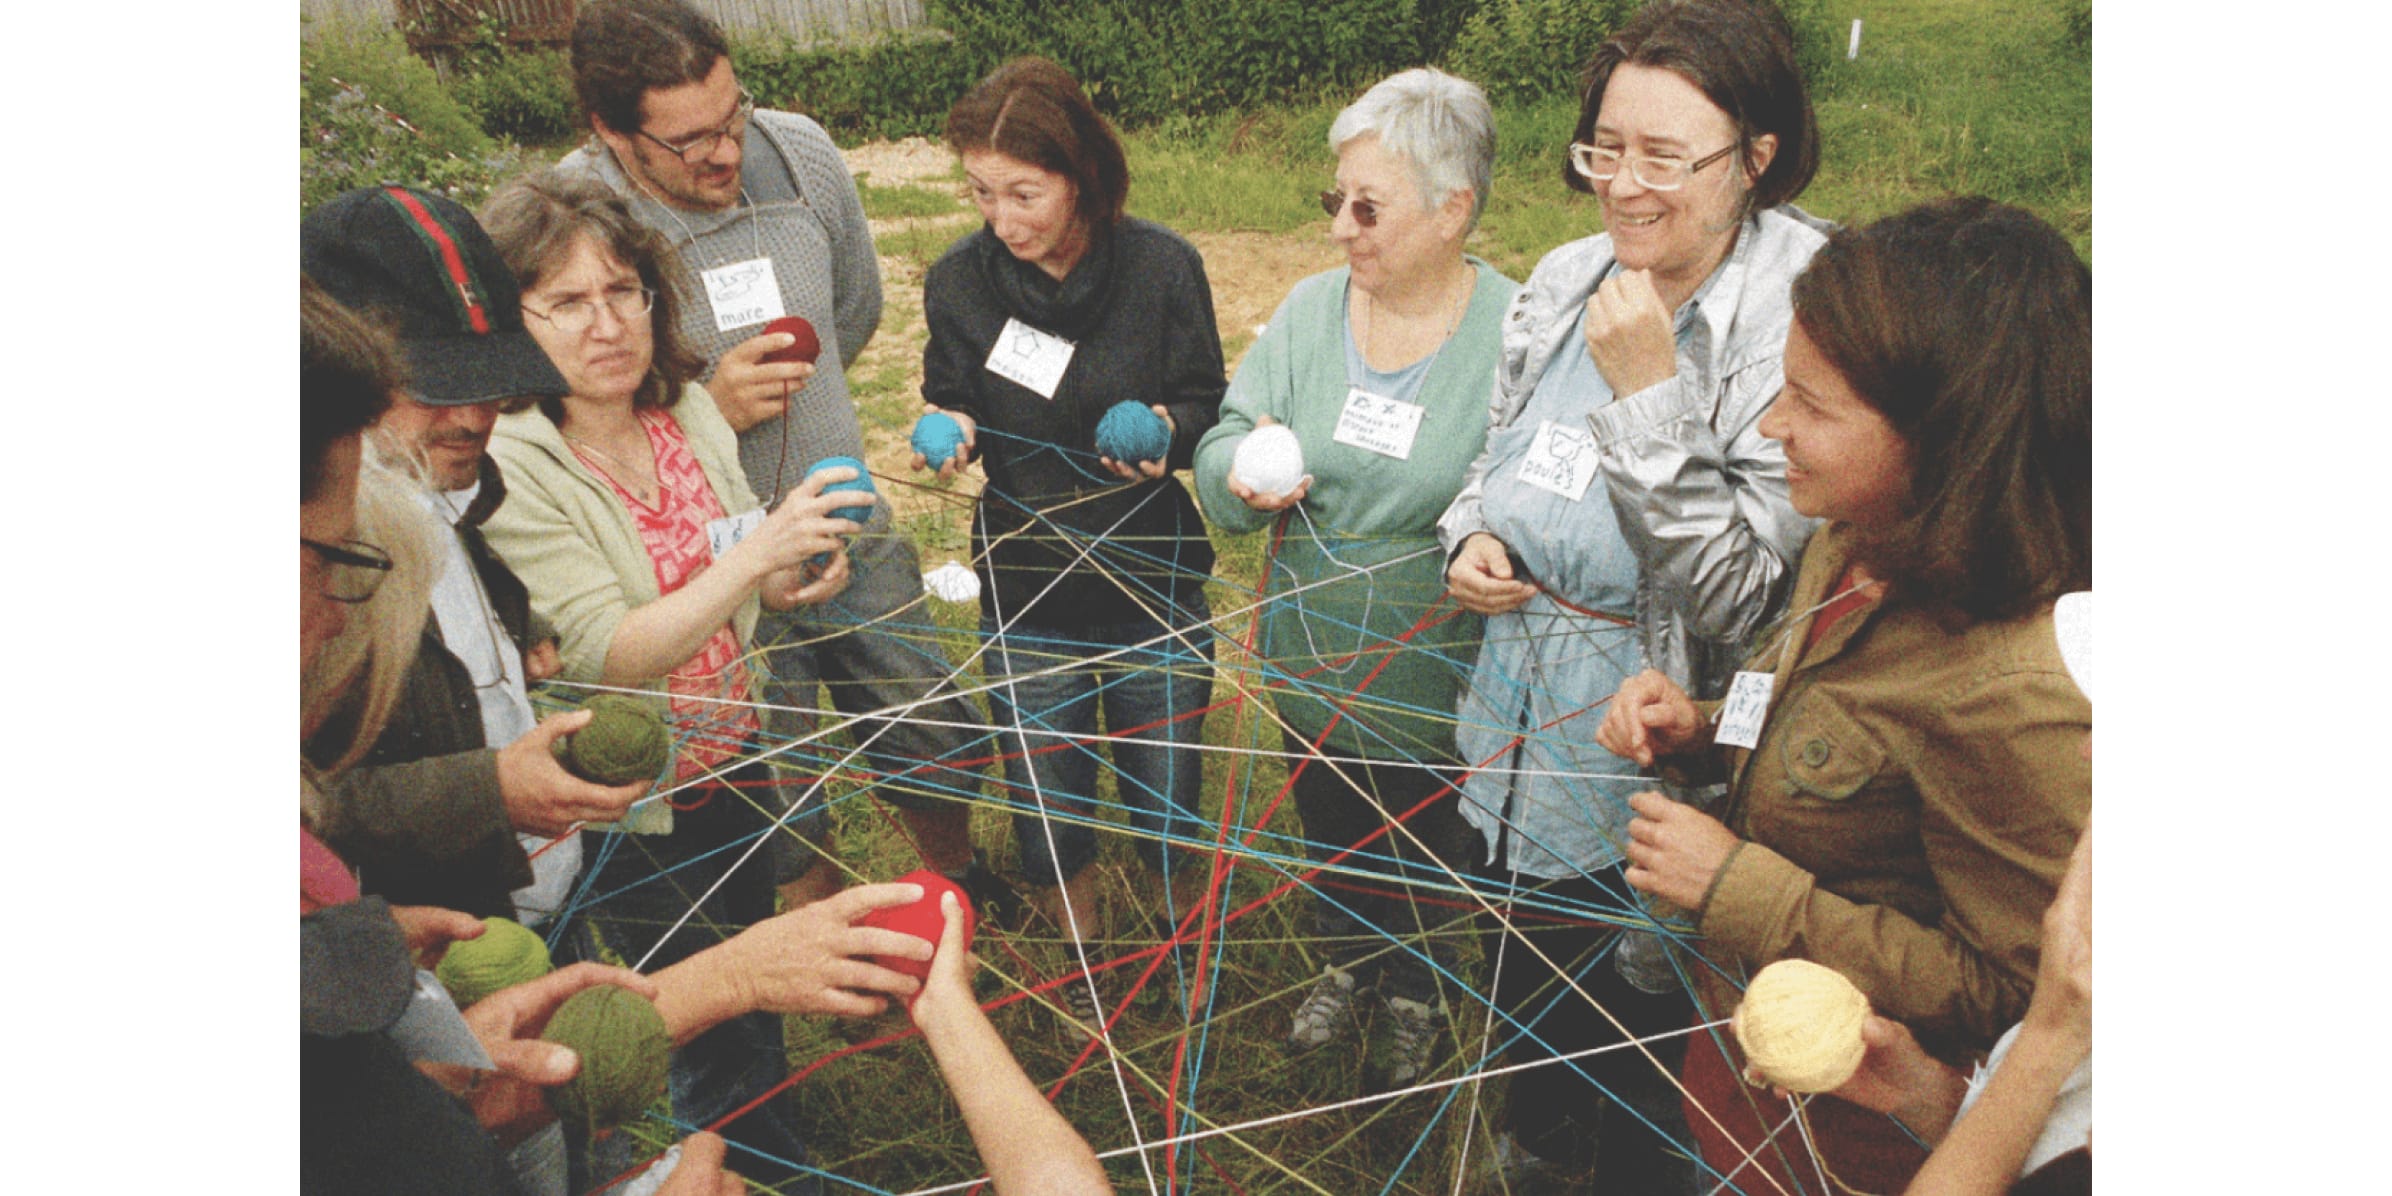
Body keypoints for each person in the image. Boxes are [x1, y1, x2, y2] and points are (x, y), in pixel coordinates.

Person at [1600, 197, 2093, 1193]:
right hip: (1749, 1066)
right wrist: (1700, 732)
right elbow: (1826, 722)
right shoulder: (1852, 532)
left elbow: (2026, 990)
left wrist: (1734, 883)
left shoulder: (2016, 693)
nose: (1771, 425)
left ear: (1944, 440)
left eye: (1812, 407)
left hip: (1875, 1140)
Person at [1431, 1, 1827, 1185]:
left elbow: (1749, 601)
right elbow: (1490, 459)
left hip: (1670, 772)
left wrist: (1649, 391)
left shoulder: (1806, 312)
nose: (1624, 186)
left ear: (1754, 158)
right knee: (1532, 1026)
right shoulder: (1564, 277)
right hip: (1513, 742)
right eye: (1606, 148)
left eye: (1665, 155)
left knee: (1657, 1075)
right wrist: (1471, 533)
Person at [300, 280, 750, 1196]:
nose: (332, 621)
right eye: (335, 565)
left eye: (492, 386)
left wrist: (362, 990)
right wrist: (740, 979)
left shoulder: (459, 495)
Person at [475, 167, 869, 1193]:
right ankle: (758, 1169)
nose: (604, 324)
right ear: (512, 319)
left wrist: (783, 578)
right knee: (702, 1008)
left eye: (622, 291)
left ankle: (757, 1127)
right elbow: (608, 646)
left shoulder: (685, 409)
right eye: (564, 301)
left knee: (750, 961)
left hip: (731, 753)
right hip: (627, 808)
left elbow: (726, 572)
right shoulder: (514, 461)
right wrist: (750, 559)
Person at [559, 0, 998, 912]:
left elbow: (853, 308)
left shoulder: (799, 152)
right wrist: (706, 411)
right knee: (776, 775)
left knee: (924, 719)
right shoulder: (573, 218)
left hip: (842, 512)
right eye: (688, 142)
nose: (724, 152)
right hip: (707, 565)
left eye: (732, 118)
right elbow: (563, 408)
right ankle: (827, 949)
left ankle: (954, 883)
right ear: (611, 130)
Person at [1189, 67, 1516, 1092]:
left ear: (1452, 208)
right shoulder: (1305, 311)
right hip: (1305, 662)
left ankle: (1418, 986)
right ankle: (1348, 957)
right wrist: (1235, 472)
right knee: (1331, 829)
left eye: (1366, 205)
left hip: (1437, 683)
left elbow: (1527, 495)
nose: (1341, 227)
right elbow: (1227, 437)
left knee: (1428, 846)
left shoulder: (1515, 329)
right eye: (1334, 200)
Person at [914, 56, 1227, 1037]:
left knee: (1168, 802)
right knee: (1047, 808)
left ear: (1080, 174)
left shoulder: (1162, 267)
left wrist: (1169, 427)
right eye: (981, 192)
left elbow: (1207, 397)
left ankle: (1180, 956)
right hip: (1027, 590)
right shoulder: (959, 282)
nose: (1003, 217)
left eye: (1024, 192)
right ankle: (1088, 968)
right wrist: (949, 423)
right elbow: (950, 385)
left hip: (1151, 587)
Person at [302, 185, 650, 928]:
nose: (472, 417)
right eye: (434, 387)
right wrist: (485, 789)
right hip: (429, 942)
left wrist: (517, 622)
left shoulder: (446, 484)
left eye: (490, 380)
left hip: (536, 898)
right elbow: (302, 806)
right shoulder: (310, 557)